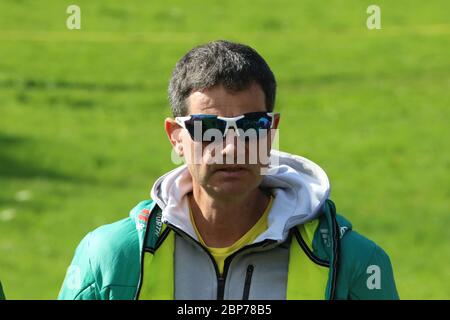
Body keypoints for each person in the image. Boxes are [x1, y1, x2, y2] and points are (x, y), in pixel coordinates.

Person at [58, 40, 399, 300]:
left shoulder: (355, 261)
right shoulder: (109, 257)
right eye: (209, 128)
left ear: (271, 130)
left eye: (251, 126)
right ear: (176, 138)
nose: (232, 148)